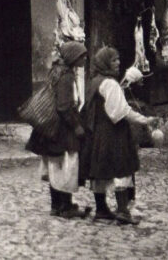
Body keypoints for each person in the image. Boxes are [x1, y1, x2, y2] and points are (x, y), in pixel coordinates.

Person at [79, 47, 158, 225]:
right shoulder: (110, 84)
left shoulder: (94, 81)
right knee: (122, 168)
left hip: (97, 131)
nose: (118, 63)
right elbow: (119, 112)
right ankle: (122, 210)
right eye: (114, 60)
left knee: (100, 170)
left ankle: (101, 210)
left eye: (118, 59)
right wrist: (145, 120)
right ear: (105, 63)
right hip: (113, 132)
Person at [26, 41, 90, 219]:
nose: (84, 59)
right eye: (82, 56)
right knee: (66, 167)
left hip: (52, 127)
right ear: (73, 57)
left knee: (55, 166)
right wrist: (76, 126)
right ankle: (65, 206)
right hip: (62, 129)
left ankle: (56, 205)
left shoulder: (56, 71)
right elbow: (63, 106)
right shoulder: (66, 75)